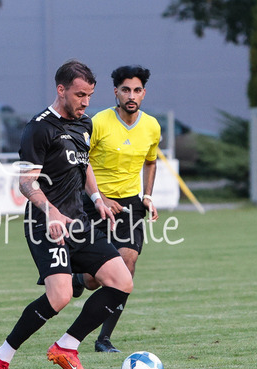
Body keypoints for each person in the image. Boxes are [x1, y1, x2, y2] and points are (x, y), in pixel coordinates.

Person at [0, 60, 133, 369]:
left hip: (78, 220)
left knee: (122, 281)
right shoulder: (38, 128)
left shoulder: (84, 124)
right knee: (61, 295)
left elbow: (85, 164)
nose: (85, 102)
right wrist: (51, 212)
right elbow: (26, 182)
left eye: (90, 96)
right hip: (45, 223)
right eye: (80, 95)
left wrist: (96, 198)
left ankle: (67, 346)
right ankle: (1, 355)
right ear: (61, 89)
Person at [72, 65, 160, 353]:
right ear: (116, 92)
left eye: (137, 90)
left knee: (127, 266)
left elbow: (151, 161)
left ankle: (104, 339)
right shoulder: (98, 122)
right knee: (95, 280)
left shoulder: (152, 126)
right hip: (94, 204)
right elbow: (80, 164)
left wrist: (147, 196)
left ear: (144, 93)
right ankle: (79, 278)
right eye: (125, 90)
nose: (131, 96)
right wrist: (98, 197)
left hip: (130, 206)